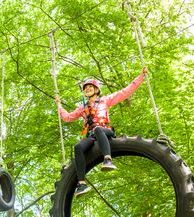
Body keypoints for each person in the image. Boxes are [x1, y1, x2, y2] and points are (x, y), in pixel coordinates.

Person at [55, 67, 148, 197]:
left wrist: (141, 77)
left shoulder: (105, 100)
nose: (87, 89)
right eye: (85, 88)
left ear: (96, 90)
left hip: (105, 131)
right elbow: (68, 117)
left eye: (90, 87)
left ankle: (108, 159)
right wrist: (59, 105)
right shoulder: (83, 108)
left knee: (98, 129)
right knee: (78, 147)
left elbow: (125, 92)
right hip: (92, 135)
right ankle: (81, 183)